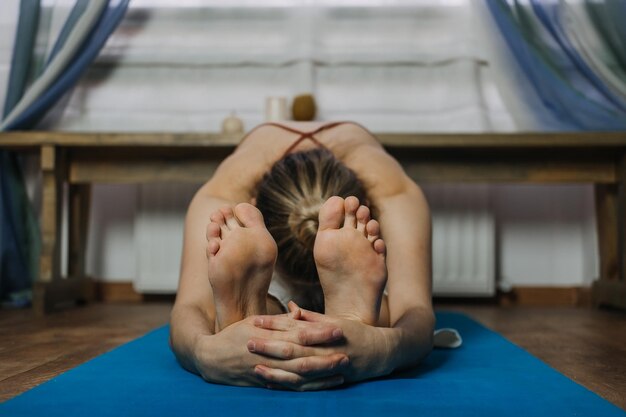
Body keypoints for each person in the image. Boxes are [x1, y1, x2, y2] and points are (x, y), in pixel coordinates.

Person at [169, 121, 434, 391]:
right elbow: (416, 311)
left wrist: (202, 350)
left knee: (214, 309)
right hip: (346, 255)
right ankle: (357, 322)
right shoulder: (394, 191)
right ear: (368, 206)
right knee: (390, 314)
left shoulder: (223, 194)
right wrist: (387, 345)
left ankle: (261, 319)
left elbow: (191, 308)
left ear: (253, 204)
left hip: (331, 261)